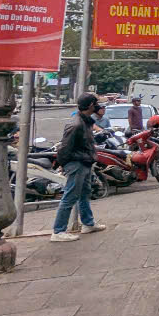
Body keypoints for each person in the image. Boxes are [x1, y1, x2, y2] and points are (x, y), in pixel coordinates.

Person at [51, 94, 108, 242]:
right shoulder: (76, 124)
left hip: (84, 162)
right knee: (70, 196)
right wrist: (64, 165)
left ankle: (88, 223)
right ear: (90, 105)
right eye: (96, 104)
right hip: (76, 163)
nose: (98, 106)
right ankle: (58, 231)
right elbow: (65, 148)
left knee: (84, 193)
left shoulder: (86, 121)